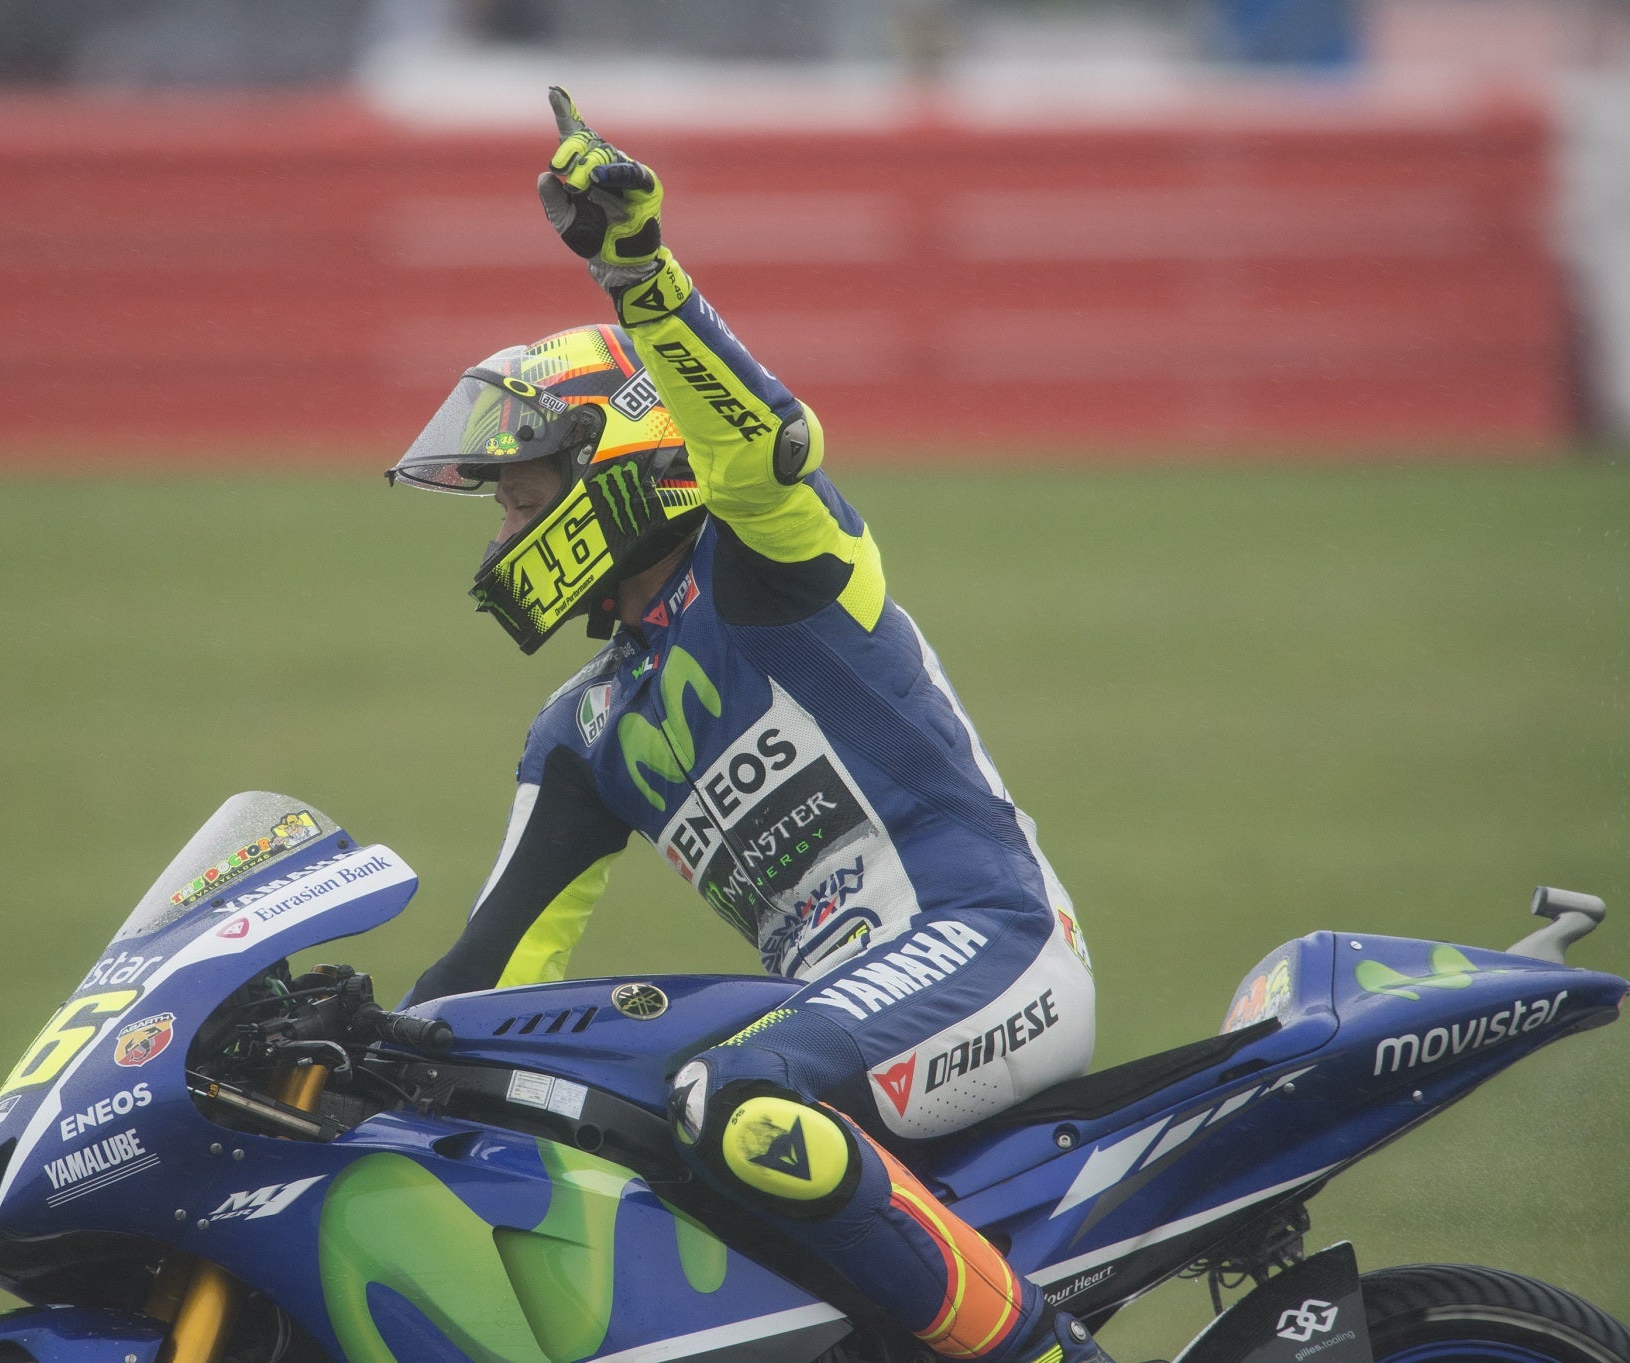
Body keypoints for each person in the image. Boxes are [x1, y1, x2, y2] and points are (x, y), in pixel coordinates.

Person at [387, 88, 1111, 1363]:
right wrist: (340, 1056)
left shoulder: (766, 560)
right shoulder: (579, 731)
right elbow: (488, 974)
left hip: (986, 947)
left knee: (728, 1094)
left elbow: (765, 440)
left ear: (615, 464)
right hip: (845, 1011)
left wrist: (639, 272)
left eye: (519, 490)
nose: (503, 528)